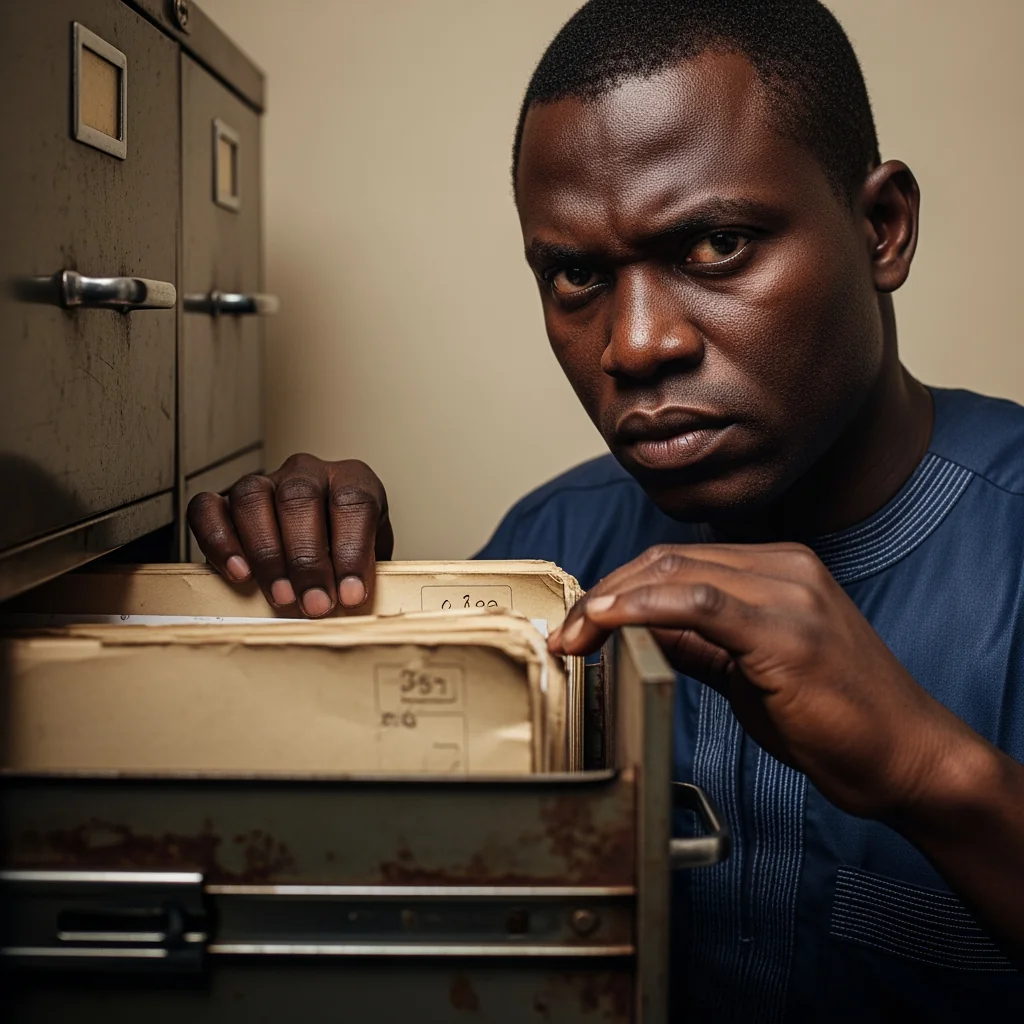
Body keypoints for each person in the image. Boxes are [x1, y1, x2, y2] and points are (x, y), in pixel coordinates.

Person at [188, 0, 1024, 1018]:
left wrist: (929, 769)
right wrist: (336, 624)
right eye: (578, 274)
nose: (632, 345)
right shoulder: (552, 551)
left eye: (716, 243)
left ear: (881, 228)